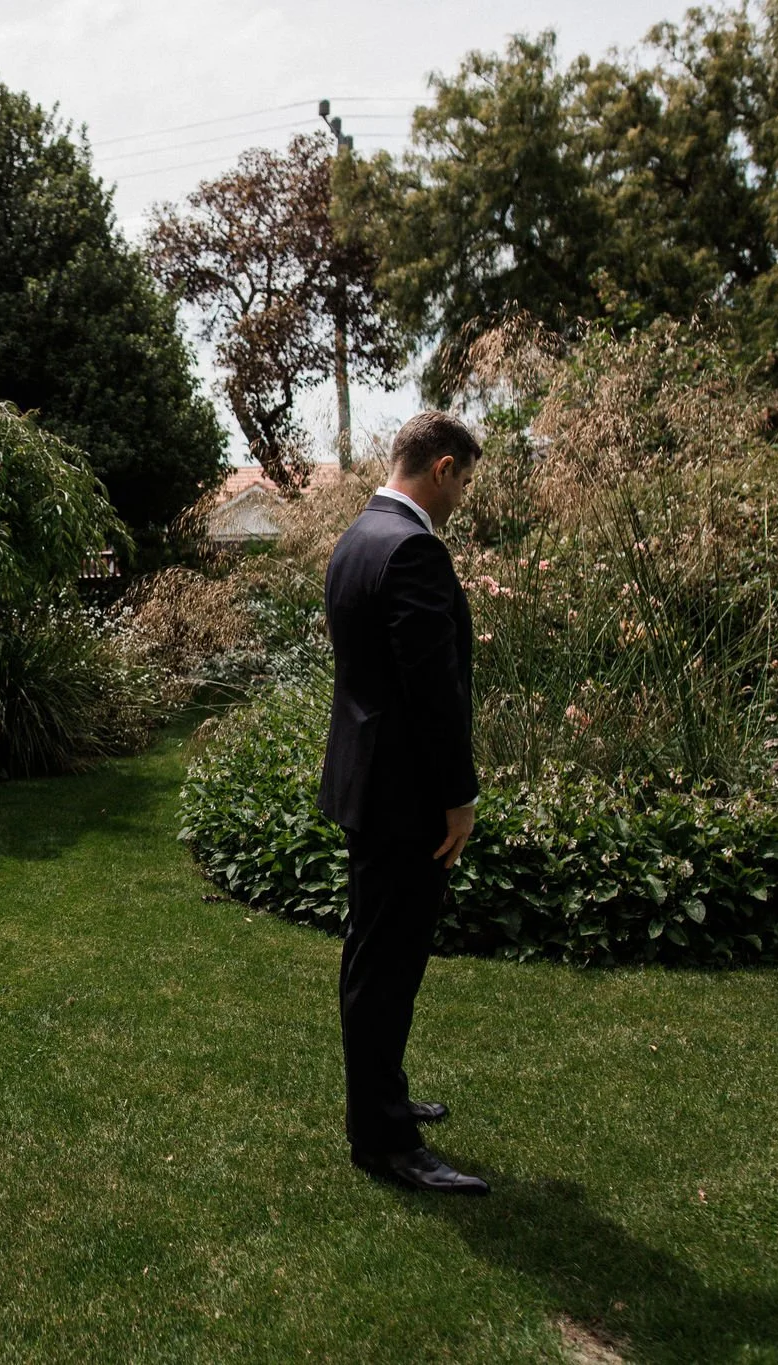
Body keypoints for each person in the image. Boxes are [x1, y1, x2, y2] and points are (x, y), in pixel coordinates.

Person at [319, 410, 489, 1195]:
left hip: (369, 785)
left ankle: (378, 1101)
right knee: (387, 965)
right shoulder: (414, 549)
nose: (463, 496)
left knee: (372, 957)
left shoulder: (357, 538)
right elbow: (433, 692)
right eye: (465, 480)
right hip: (406, 796)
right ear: (443, 468)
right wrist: (459, 796)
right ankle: (384, 1139)